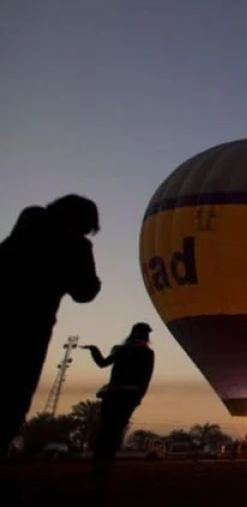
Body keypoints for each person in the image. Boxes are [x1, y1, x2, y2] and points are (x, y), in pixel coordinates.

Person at [0, 196, 102, 459]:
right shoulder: (75, 246)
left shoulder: (26, 227)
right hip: (29, 331)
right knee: (12, 396)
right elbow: (84, 291)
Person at [82, 322, 155, 477]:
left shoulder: (121, 350)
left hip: (115, 394)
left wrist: (94, 350)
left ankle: (100, 464)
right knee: (114, 428)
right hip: (127, 395)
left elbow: (102, 363)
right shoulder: (146, 353)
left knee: (106, 428)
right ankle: (104, 463)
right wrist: (138, 395)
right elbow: (146, 379)